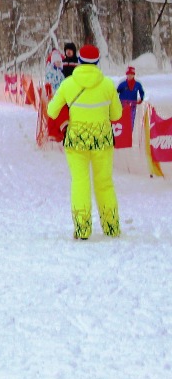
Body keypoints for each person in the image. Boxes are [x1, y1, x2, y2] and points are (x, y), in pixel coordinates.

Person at [46, 44, 122, 240]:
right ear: (97, 62)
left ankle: (82, 229)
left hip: (76, 142)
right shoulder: (107, 85)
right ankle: (111, 226)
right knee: (104, 183)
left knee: (80, 183)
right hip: (102, 141)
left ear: (79, 61)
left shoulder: (69, 84)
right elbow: (117, 114)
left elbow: (51, 111)